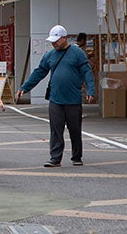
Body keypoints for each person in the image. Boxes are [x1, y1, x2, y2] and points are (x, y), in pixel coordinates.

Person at [17, 25, 96, 168]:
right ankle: (55, 158)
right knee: (56, 129)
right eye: (52, 41)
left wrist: (91, 91)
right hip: (55, 99)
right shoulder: (50, 55)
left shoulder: (77, 53)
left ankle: (76, 156)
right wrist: (25, 87)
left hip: (73, 99)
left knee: (75, 129)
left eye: (56, 40)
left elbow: (87, 72)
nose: (53, 43)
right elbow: (39, 72)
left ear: (64, 38)